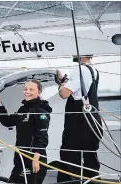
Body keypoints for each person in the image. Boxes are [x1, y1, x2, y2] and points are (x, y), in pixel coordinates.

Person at [0, 79, 52, 184]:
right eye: (25, 89)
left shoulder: (41, 110)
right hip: (20, 159)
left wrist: (36, 159)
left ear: (38, 92)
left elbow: (42, 136)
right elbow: (7, 121)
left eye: (31, 89)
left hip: (33, 159)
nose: (27, 92)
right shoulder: (23, 109)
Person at [55, 54, 103, 183]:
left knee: (70, 158)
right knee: (90, 160)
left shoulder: (80, 70)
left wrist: (61, 84)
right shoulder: (94, 71)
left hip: (79, 124)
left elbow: (64, 93)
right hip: (92, 121)